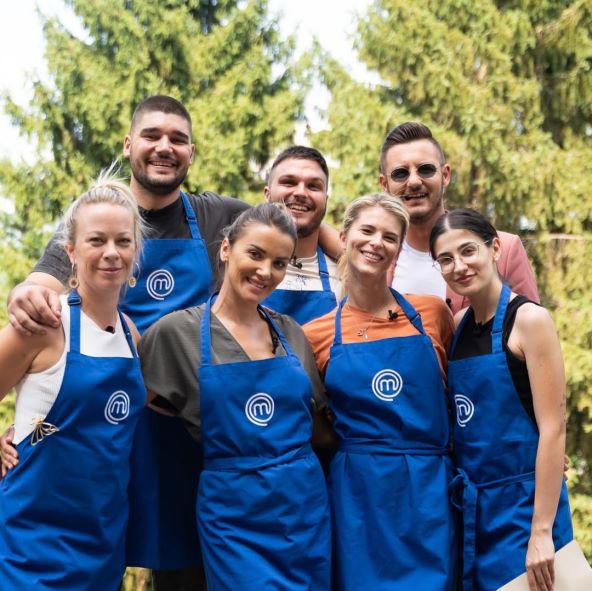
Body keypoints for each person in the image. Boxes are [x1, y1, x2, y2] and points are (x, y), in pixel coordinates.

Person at [3, 95, 249, 589]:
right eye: (152, 135)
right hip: (50, 505)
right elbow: (39, 286)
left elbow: (290, 226)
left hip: (166, 453)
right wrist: (25, 293)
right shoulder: (57, 309)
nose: (164, 147)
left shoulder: (215, 217)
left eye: (177, 139)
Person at [139, 203, 332, 590]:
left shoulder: (291, 333)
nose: (265, 271)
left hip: (302, 506)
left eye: (279, 263)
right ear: (226, 248)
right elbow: (127, 406)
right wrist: (31, 428)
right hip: (232, 512)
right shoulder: (175, 334)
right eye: (255, 254)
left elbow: (317, 427)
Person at [0, 172, 146, 589]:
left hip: (103, 542)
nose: (111, 253)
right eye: (96, 241)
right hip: (32, 545)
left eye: (122, 241)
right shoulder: (45, 325)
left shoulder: (131, 335)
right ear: (71, 251)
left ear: (135, 251)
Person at [304, 193, 457, 590]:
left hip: (430, 492)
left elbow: (464, 398)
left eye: (390, 237)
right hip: (358, 498)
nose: (377, 242)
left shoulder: (433, 314)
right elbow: (312, 421)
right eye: (367, 230)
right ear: (344, 237)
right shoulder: (315, 335)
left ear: (399, 250)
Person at [429, 208, 573, 591]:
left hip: (526, 509)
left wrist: (541, 532)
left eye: (468, 251)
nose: (459, 266)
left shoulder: (529, 320)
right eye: (446, 259)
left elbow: (554, 428)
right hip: (475, 513)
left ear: (494, 248)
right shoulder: (456, 327)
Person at [379, 122, 540, 313]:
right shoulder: (376, 259)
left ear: (445, 175)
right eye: (400, 174)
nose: (414, 181)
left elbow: (533, 325)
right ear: (385, 185)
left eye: (425, 169)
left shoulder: (503, 250)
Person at [262, 145, 340, 324]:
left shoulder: (346, 275)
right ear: (267, 194)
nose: (301, 193)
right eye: (289, 182)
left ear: (325, 200)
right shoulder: (242, 266)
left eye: (313, 186)